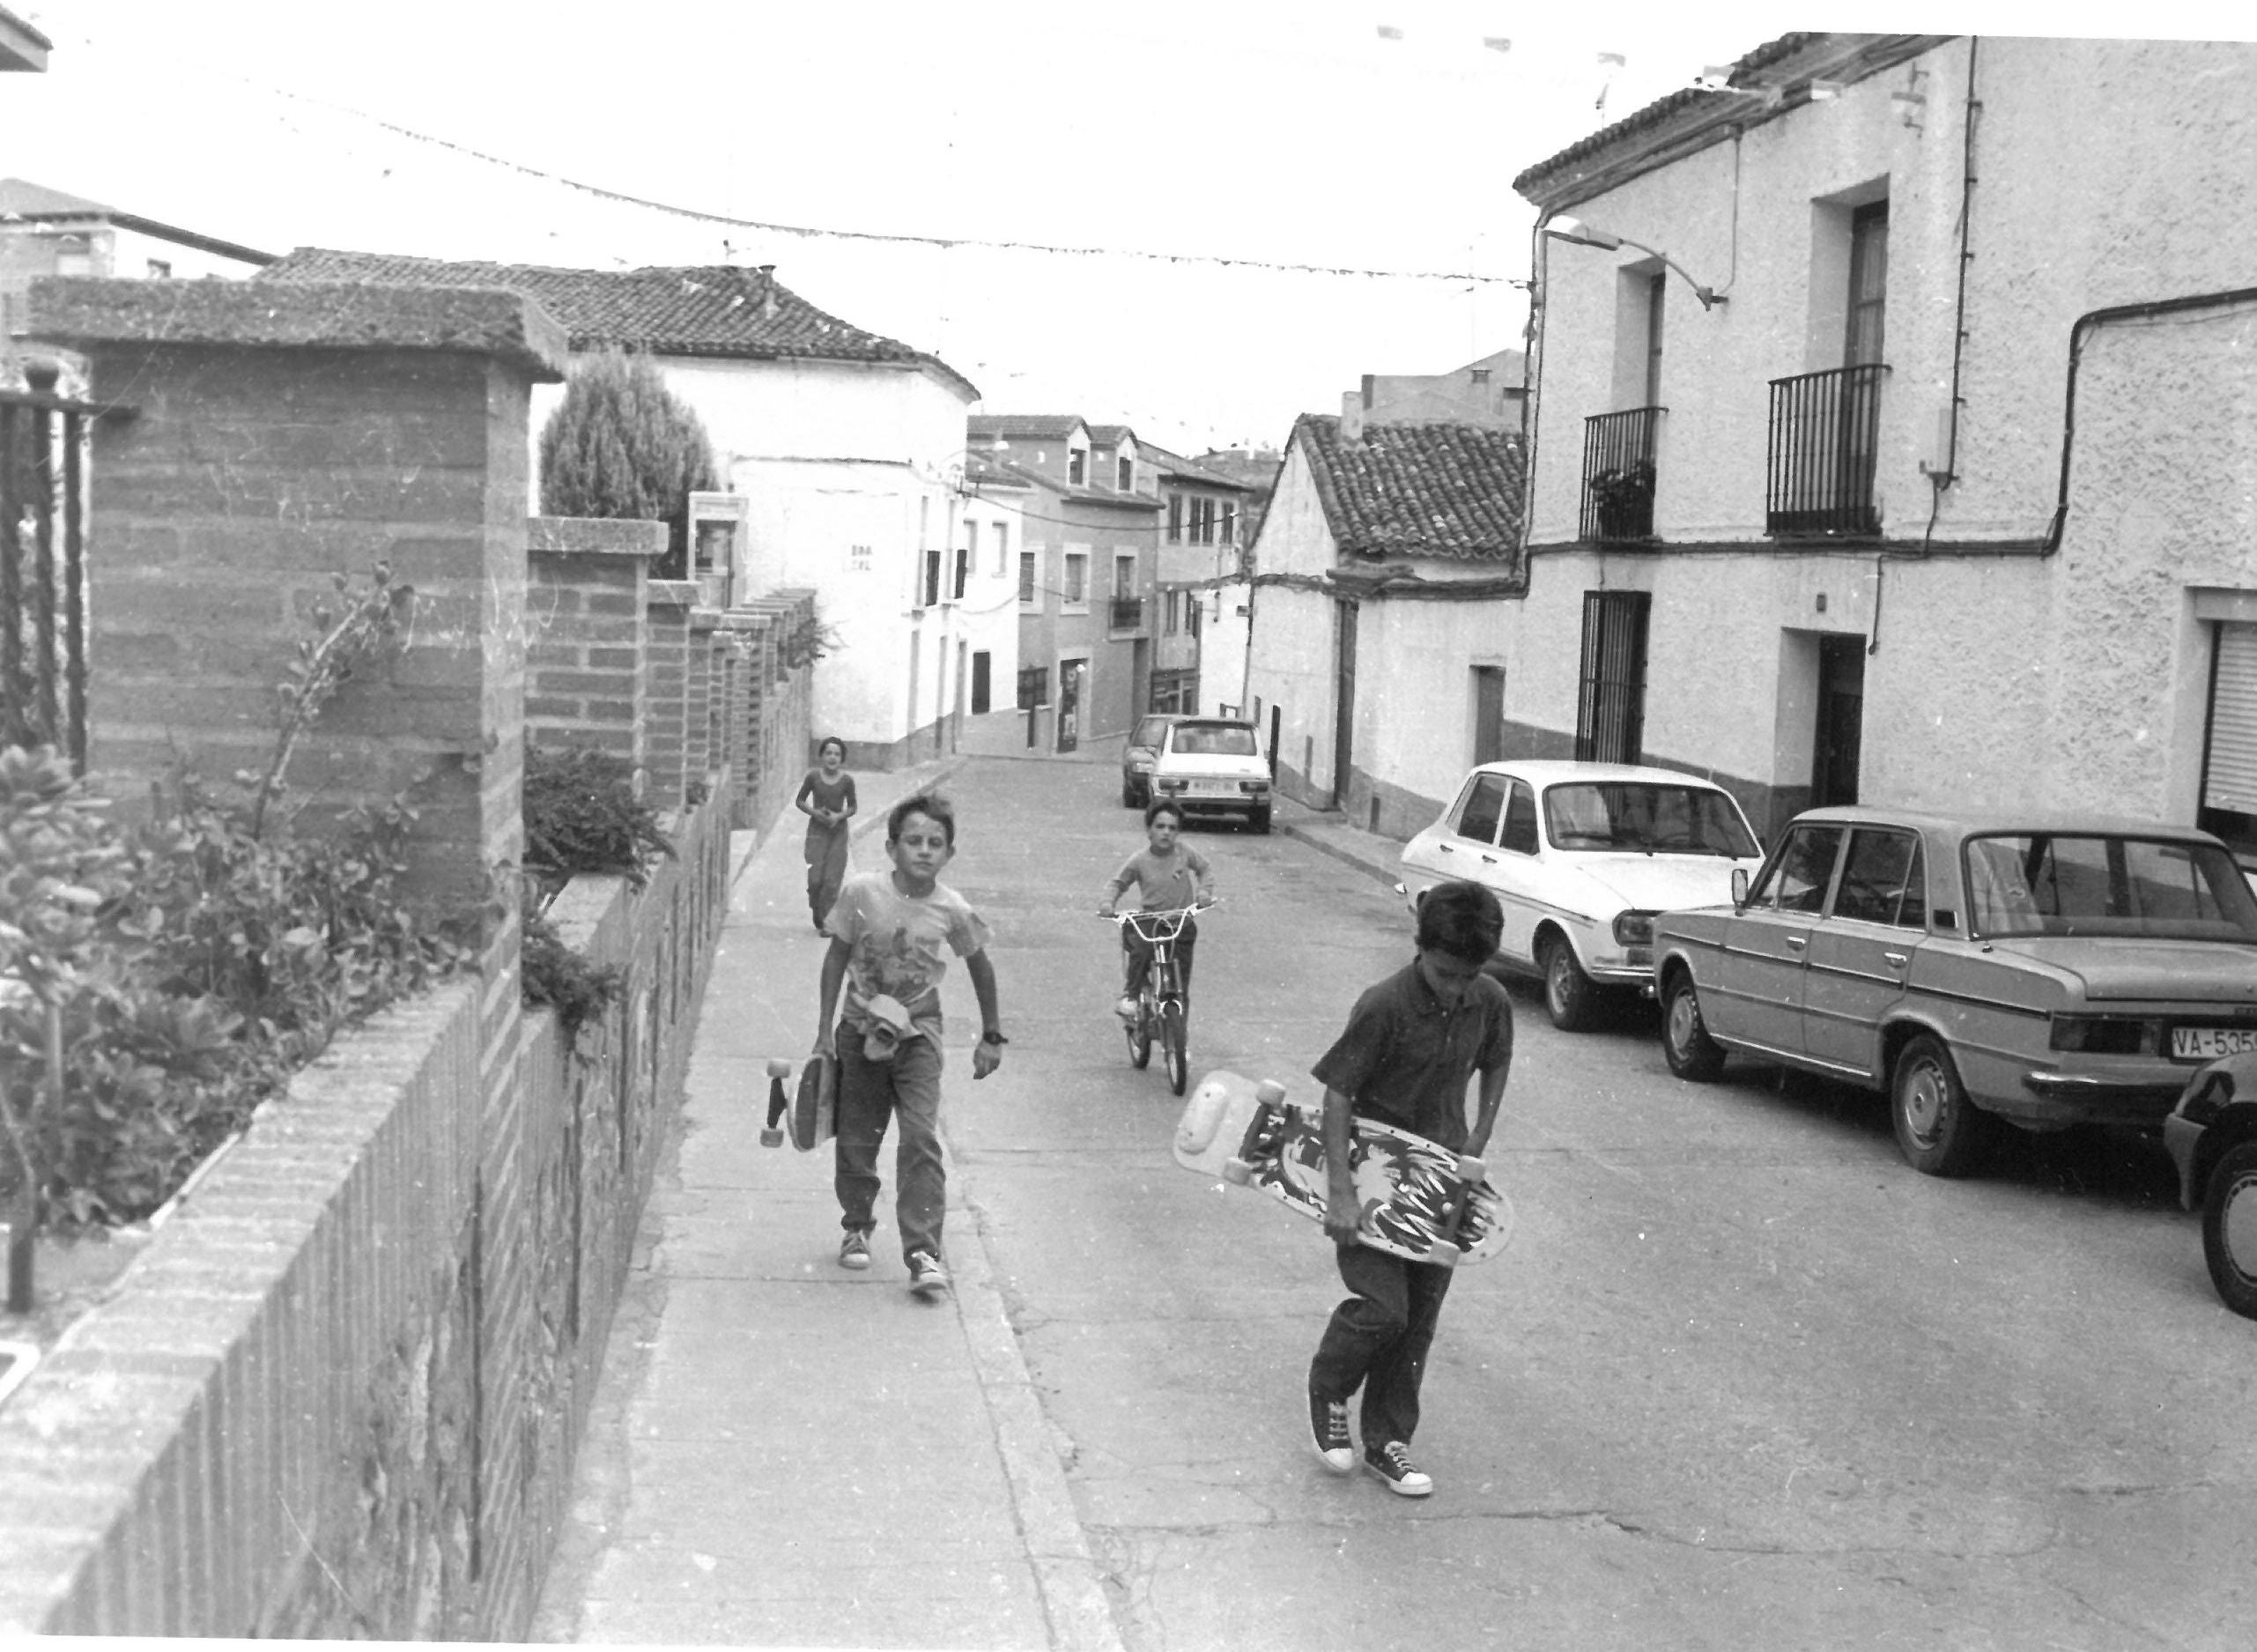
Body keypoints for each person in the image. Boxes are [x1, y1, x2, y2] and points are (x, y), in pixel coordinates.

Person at [1305, 879, 1513, 1497]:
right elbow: (1338, 1091)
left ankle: (1388, 1440)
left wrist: (1481, 1129)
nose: (1455, 988)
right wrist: (1341, 1194)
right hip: (1372, 1176)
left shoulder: (1489, 998)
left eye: (1466, 976)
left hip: (1443, 1178)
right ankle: (1328, 1384)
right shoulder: (1383, 1005)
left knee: (1418, 1317)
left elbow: (1498, 1056)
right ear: (1419, 946)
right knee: (1383, 1307)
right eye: (1445, 973)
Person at [815, 792, 1004, 1294]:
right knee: (859, 1135)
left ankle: (923, 1251)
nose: (924, 851)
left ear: (949, 854)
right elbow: (836, 959)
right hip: (858, 1031)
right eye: (913, 841)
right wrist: (822, 1034)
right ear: (891, 847)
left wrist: (991, 1036)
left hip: (919, 1034)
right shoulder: (862, 893)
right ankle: (856, 1225)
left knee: (920, 1136)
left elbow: (980, 966)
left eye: (935, 843)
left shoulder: (952, 909)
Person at [1099, 798, 1215, 1022]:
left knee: (1181, 985)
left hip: (1182, 923)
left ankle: (1180, 1037)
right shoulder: (1140, 860)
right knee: (1141, 951)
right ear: (1149, 830)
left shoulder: (1184, 853)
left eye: (1172, 828)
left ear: (1178, 832)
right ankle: (1131, 997)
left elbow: (1205, 869)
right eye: (1160, 827)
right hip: (1152, 922)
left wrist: (1204, 893)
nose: (1166, 833)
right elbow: (1118, 883)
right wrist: (1107, 903)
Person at [795, 737, 858, 932]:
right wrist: (816, 813)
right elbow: (800, 801)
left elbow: (853, 807)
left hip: (837, 832)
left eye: (837, 754)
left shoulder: (847, 781)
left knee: (832, 880)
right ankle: (817, 909)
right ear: (822, 755)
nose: (832, 757)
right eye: (829, 753)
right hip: (816, 832)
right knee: (815, 880)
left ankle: (828, 922)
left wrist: (839, 816)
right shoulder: (813, 777)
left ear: (842, 758)